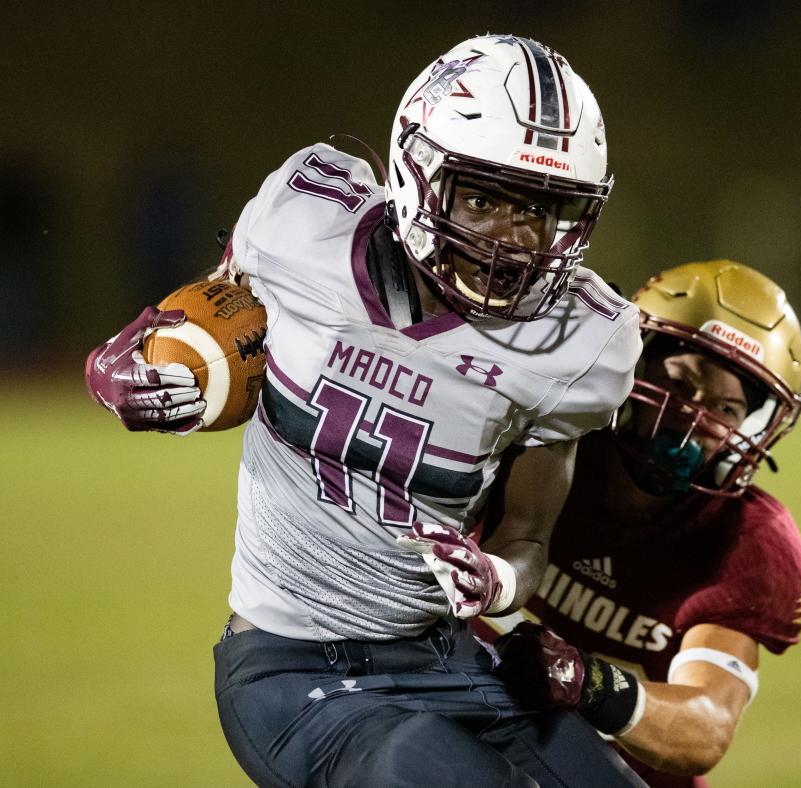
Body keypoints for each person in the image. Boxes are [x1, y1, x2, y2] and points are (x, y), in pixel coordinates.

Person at [84, 35, 646, 787]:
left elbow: (527, 538)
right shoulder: (304, 225)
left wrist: (496, 582)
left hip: (443, 655)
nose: (513, 242)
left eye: (542, 211)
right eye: (483, 198)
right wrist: (129, 364)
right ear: (418, 173)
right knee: (431, 770)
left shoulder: (579, 346)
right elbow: (216, 313)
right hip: (287, 664)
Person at [479, 260, 801, 788]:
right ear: (635, 362)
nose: (694, 417)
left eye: (726, 407)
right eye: (680, 383)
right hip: (462, 727)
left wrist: (589, 683)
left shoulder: (748, 541)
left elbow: (705, 728)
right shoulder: (543, 437)